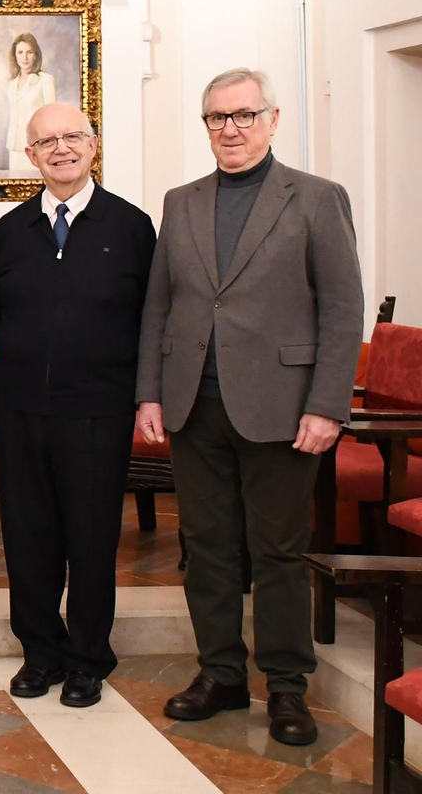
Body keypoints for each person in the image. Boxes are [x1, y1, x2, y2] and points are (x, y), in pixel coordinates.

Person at [136, 67, 362, 746]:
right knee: (206, 549)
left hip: (282, 409)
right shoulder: (181, 201)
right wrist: (150, 391)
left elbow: (343, 307)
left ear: (272, 118)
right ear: (205, 126)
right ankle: (221, 674)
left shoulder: (318, 198)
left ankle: (288, 688)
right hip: (193, 408)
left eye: (242, 115)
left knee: (278, 553)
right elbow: (160, 306)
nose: (229, 129)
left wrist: (328, 404)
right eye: (216, 118)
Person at [0, 104, 155, 707]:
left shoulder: (132, 227)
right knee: (27, 539)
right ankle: (40, 654)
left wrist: (146, 399)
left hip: (99, 412)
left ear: (93, 144)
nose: (60, 149)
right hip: (22, 411)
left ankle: (87, 658)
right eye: (45, 141)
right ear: (30, 156)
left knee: (90, 540)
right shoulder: (9, 232)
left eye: (72, 137)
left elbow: (152, 323)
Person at [3, 32, 55, 173]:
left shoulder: (45, 80)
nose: (24, 58)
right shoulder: (11, 84)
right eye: (20, 52)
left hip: (36, 147)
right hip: (14, 146)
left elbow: (52, 116)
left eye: (29, 52)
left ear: (36, 55)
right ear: (14, 55)